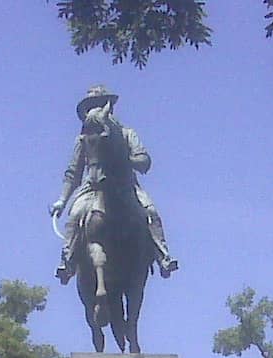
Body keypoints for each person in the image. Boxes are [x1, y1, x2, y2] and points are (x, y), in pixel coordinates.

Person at [51, 85, 178, 284]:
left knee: (150, 213)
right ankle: (68, 261)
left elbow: (144, 161)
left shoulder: (127, 134)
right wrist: (62, 200)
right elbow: (73, 172)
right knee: (75, 215)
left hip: (126, 186)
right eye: (92, 105)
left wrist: (125, 160)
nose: (95, 109)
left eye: (99, 104)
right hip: (91, 188)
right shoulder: (83, 139)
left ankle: (163, 255)